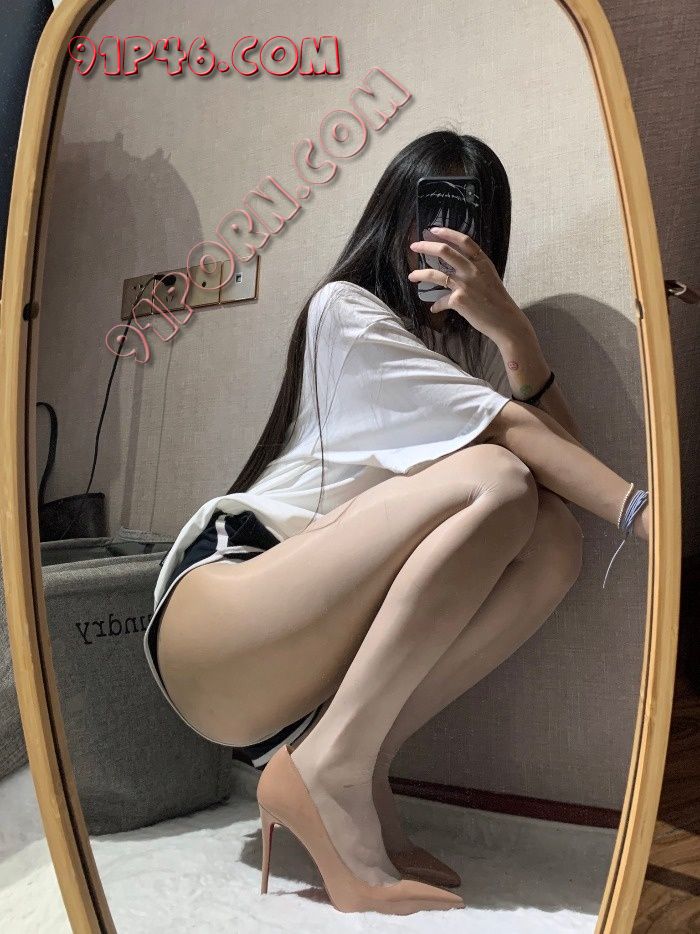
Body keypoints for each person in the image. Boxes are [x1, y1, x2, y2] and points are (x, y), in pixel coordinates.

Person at [142, 130, 649, 915]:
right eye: (433, 208)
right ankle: (330, 769)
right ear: (394, 216)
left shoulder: (470, 352)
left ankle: (353, 764)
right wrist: (648, 518)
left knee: (553, 537)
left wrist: (514, 335)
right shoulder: (345, 311)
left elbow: (564, 464)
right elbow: (517, 438)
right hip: (222, 613)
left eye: (471, 217)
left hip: (293, 673)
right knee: (498, 477)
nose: (450, 233)